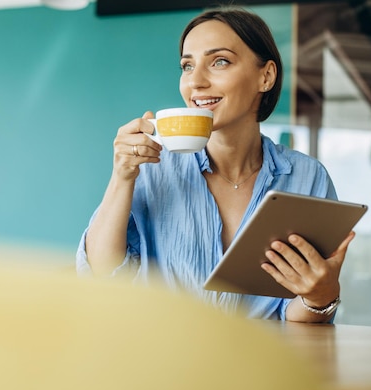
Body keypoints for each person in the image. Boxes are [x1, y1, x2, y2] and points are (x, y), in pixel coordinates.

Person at [76, 7, 354, 322]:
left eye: (219, 61)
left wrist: (320, 296)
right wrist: (122, 177)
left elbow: (291, 314)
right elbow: (102, 274)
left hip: (263, 363)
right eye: (187, 65)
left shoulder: (306, 177)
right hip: (166, 361)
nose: (195, 82)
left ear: (266, 76)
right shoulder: (152, 166)